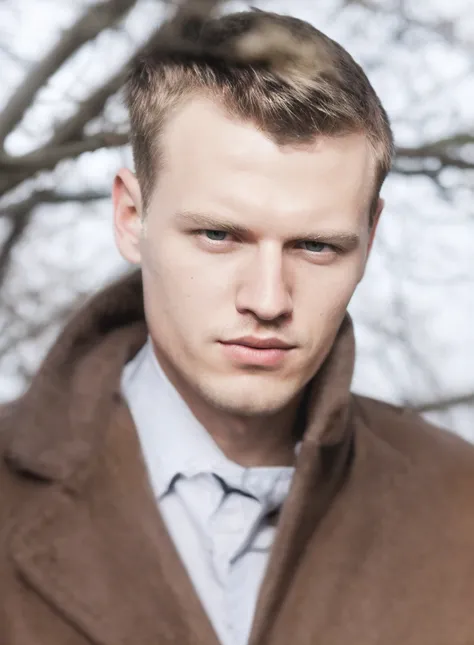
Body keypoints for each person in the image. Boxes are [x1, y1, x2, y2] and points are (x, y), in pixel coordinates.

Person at [1, 8, 474, 645]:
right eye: (219, 235)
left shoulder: (459, 508)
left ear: (370, 239)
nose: (268, 298)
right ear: (130, 217)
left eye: (316, 246)